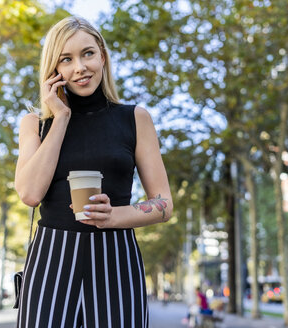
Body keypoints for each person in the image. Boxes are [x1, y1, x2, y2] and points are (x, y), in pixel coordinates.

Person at [14, 16, 173, 328]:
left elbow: (164, 202)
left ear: (102, 55)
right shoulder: (35, 124)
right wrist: (60, 117)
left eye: (87, 53)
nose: (79, 68)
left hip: (117, 256)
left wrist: (114, 216)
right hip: (52, 257)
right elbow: (30, 194)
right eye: (66, 59)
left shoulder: (135, 118)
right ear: (54, 69)